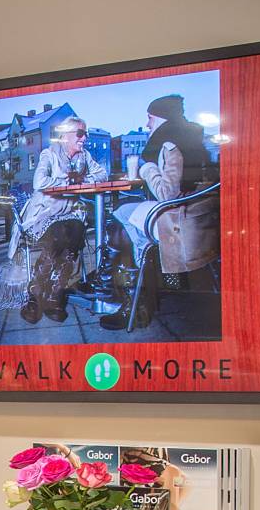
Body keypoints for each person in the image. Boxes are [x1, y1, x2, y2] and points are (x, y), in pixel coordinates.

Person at [102, 92, 219, 331]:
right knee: (124, 214)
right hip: (201, 218)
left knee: (119, 224)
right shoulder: (195, 139)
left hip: (181, 222)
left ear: (162, 119)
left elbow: (167, 194)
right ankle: (126, 283)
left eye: (150, 119)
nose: (147, 125)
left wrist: (147, 169)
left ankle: (130, 301)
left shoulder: (169, 145)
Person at [14, 116, 106, 324]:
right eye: (80, 133)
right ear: (65, 136)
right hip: (45, 212)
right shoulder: (49, 154)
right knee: (62, 234)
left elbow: (102, 174)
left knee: (76, 229)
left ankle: (54, 292)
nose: (84, 138)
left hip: (69, 212)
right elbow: (39, 182)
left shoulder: (85, 156)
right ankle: (37, 292)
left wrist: (84, 179)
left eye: (85, 133)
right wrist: (68, 179)